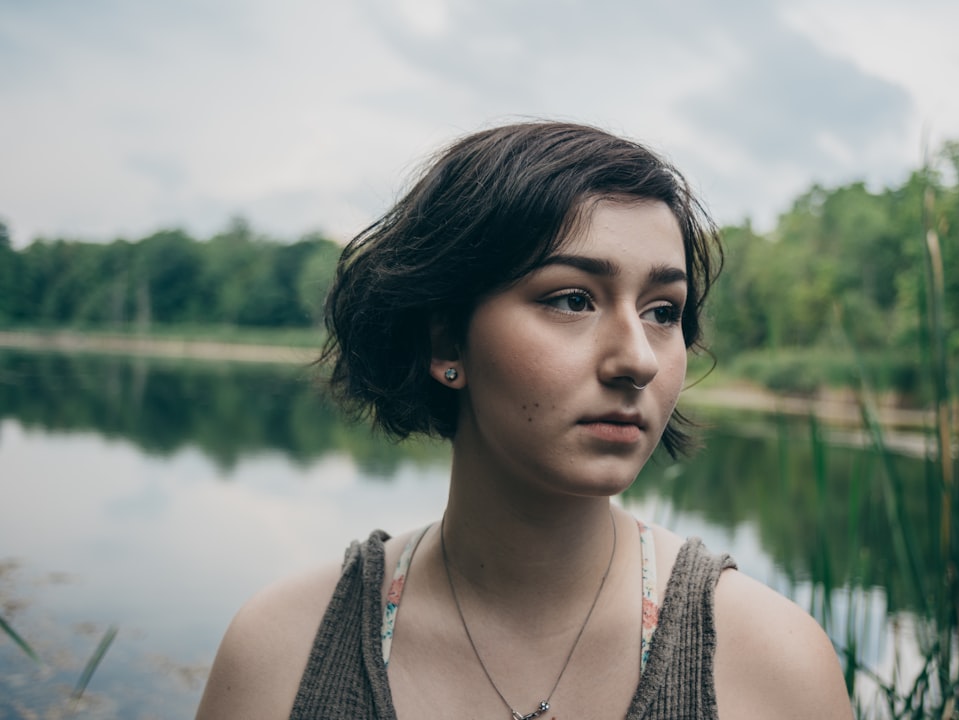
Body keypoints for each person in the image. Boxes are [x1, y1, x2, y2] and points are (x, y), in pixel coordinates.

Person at [195, 121, 852, 719]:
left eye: (663, 311)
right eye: (572, 299)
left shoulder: (775, 670)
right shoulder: (281, 654)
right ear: (448, 342)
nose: (637, 360)